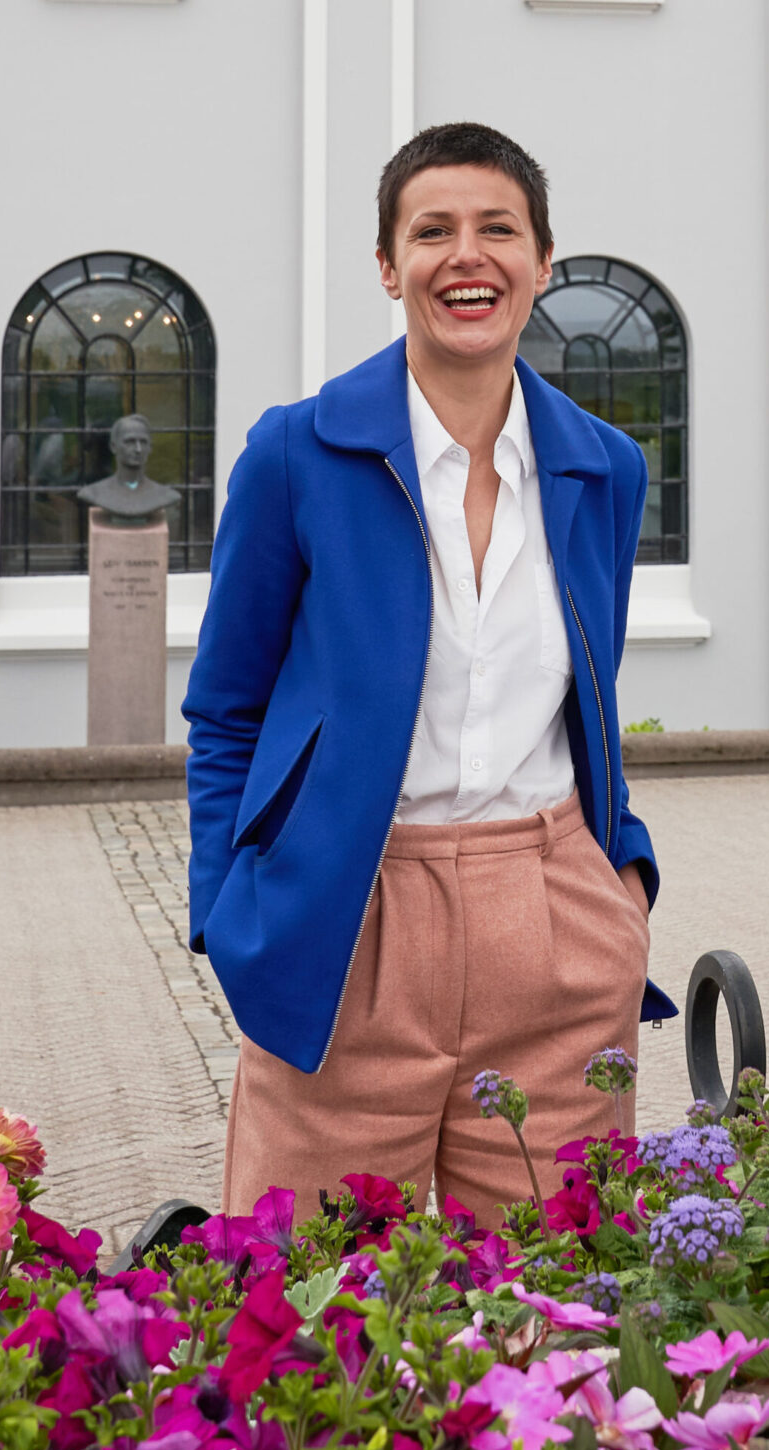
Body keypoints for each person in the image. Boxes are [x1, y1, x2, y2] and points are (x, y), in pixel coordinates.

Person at [183, 122, 674, 1223]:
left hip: (551, 914)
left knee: (557, 1302)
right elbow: (225, 710)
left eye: (499, 229)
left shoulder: (605, 467)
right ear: (387, 265)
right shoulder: (297, 455)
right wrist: (230, 917)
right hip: (349, 921)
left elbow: (587, 697)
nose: (468, 255)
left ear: (544, 263)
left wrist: (621, 879)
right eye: (433, 230)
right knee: (314, 1309)